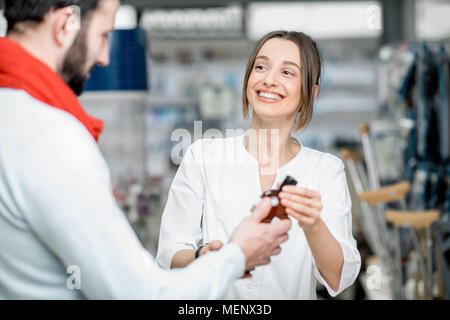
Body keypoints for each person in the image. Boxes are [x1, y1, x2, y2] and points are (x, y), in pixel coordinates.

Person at [0, 0, 292, 299]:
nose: (103, 58)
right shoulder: (52, 139)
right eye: (103, 35)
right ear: (65, 25)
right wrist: (238, 255)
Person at [156, 31, 362, 299]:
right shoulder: (203, 156)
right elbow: (169, 253)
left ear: (310, 93)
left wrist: (313, 225)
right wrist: (201, 256)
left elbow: (338, 277)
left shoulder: (326, 170)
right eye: (261, 67)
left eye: (287, 73)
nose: (269, 79)